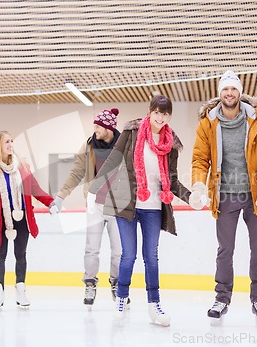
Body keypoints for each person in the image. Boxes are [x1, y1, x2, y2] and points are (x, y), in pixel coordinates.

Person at [88, 95, 191, 326]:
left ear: (169, 116)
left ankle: (154, 306)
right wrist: (95, 189)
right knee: (128, 255)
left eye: (165, 114)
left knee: (151, 257)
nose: (161, 117)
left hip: (154, 207)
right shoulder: (132, 132)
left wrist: (190, 197)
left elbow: (172, 180)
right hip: (127, 204)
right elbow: (113, 160)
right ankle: (121, 298)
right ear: (150, 111)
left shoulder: (170, 143)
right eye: (157, 112)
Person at [190, 70, 257, 322]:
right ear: (220, 94)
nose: (229, 93)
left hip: (254, 194)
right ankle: (221, 299)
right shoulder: (208, 123)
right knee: (225, 250)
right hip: (225, 194)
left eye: (233, 89)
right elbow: (199, 158)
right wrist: (198, 185)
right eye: (225, 89)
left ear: (239, 93)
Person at [50, 108, 122, 308]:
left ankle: (117, 284)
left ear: (109, 127)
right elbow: (76, 173)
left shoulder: (123, 145)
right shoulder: (88, 146)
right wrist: (61, 196)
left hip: (118, 206)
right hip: (94, 206)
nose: (95, 129)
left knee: (119, 251)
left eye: (98, 126)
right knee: (91, 249)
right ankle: (90, 284)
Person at [0, 130, 56, 310]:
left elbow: (35, 189)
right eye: (7, 142)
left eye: (12, 141)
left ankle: (21, 291)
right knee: (0, 255)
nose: (11, 144)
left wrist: (51, 202)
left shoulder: (22, 166)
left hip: (22, 219)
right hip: (1, 221)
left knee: (20, 256)